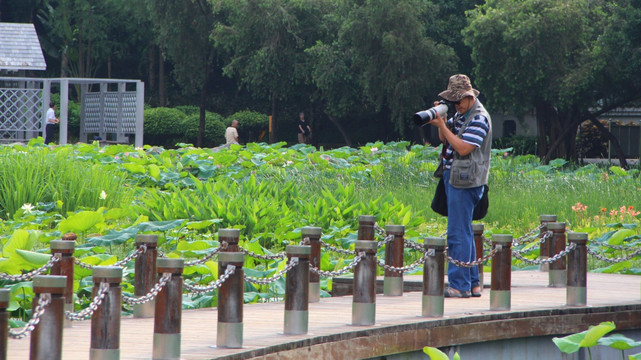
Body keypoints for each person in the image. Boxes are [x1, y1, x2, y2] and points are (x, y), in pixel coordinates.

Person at [427, 74, 492, 298]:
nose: (456, 105)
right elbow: (446, 141)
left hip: (466, 182)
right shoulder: (462, 114)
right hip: (456, 178)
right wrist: (441, 122)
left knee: (457, 233)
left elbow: (463, 148)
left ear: (469, 96)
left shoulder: (479, 118)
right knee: (464, 232)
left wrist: (443, 126)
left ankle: (459, 285)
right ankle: (473, 283)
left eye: (459, 101)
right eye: (453, 102)